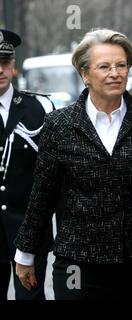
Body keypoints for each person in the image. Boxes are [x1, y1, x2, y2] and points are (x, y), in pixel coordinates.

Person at [14, 29, 132, 299]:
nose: (115, 73)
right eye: (104, 66)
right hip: (78, 265)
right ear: (85, 74)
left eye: (121, 65)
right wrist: (25, 252)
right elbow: (43, 195)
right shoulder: (60, 124)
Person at [0, 29, 53, 300]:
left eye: (4, 62)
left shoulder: (39, 109)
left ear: (13, 64)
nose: (0, 70)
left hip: (29, 232)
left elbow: (50, 175)